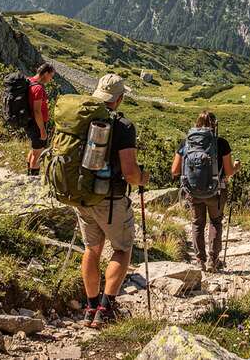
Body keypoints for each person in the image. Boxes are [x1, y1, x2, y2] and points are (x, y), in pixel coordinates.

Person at [76, 73, 149, 326]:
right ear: (118, 99)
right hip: (111, 199)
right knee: (122, 248)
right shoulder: (124, 126)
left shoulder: (82, 118)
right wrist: (143, 179)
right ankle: (106, 310)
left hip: (82, 195)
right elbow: (130, 173)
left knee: (91, 249)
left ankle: (90, 307)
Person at [171, 111, 237, 271]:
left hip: (192, 191)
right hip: (216, 191)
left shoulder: (186, 143)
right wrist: (237, 167)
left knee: (197, 224)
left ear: (197, 124)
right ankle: (213, 261)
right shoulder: (221, 143)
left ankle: (200, 261)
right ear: (215, 125)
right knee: (215, 222)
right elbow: (228, 172)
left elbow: (174, 170)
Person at [25, 63, 54, 176]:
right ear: (45, 73)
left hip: (30, 122)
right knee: (38, 154)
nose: (51, 79)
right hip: (37, 124)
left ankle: (28, 174)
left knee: (34, 150)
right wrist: (42, 130)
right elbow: (37, 111)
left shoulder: (30, 81)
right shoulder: (38, 88)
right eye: (51, 76)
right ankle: (33, 179)